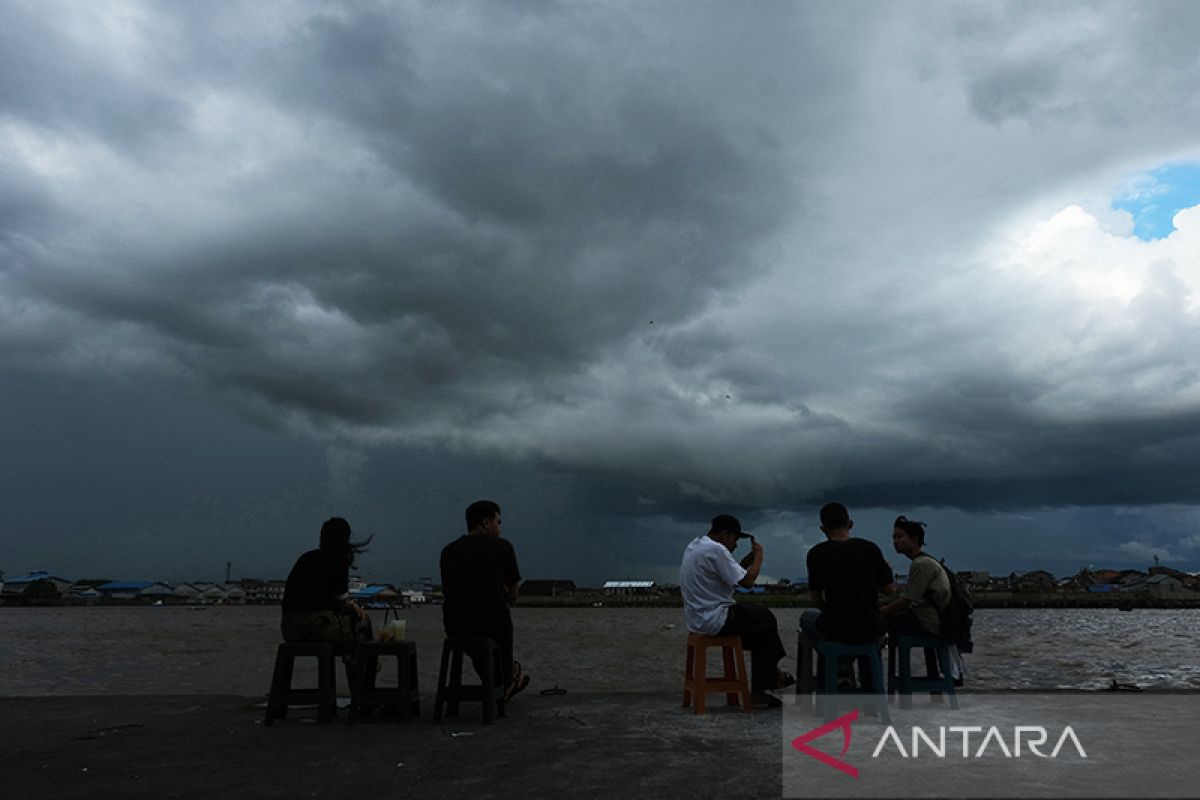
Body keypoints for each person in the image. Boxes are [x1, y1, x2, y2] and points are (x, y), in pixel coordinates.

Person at [679, 513, 791, 707]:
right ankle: (766, 682)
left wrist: (747, 562)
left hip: (698, 619)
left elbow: (729, 576)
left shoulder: (696, 546)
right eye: (735, 539)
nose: (736, 545)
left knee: (760, 629)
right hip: (715, 617)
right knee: (764, 618)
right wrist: (759, 558)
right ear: (724, 534)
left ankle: (770, 677)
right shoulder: (716, 550)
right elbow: (747, 582)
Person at [440, 500, 530, 701]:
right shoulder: (502, 547)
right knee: (500, 623)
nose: (500, 528)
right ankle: (506, 679)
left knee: (478, 646)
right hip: (493, 625)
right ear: (486, 523)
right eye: (498, 522)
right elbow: (514, 594)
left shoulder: (448, 551)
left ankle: (498, 679)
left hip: (456, 628)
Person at [802, 502, 894, 645]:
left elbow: (816, 599)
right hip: (871, 627)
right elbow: (890, 590)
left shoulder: (816, 553)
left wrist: (831, 612)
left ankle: (834, 661)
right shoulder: (870, 548)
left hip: (836, 628)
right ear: (850, 524)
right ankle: (857, 663)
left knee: (806, 618)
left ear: (823, 529)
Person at [280, 516, 374, 655]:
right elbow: (341, 603)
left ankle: (362, 666)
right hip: (314, 627)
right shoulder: (338, 560)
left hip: (289, 630)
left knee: (354, 638)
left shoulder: (306, 558)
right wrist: (350, 605)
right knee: (363, 626)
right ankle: (367, 671)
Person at [881, 515, 950, 638]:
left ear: (914, 539)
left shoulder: (921, 564)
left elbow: (906, 601)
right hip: (935, 619)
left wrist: (880, 612)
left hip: (931, 623)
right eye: (894, 537)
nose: (895, 541)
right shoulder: (924, 561)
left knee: (876, 625)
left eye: (900, 537)